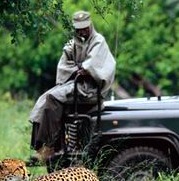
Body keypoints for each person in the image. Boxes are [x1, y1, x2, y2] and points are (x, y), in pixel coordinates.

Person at [29, 10, 116, 161]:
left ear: (90, 25)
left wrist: (83, 68)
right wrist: (79, 68)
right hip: (74, 85)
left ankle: (49, 147)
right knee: (43, 101)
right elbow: (64, 65)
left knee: (53, 98)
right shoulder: (73, 43)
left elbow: (93, 67)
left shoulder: (98, 41)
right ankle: (40, 147)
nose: (82, 31)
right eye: (79, 28)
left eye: (85, 27)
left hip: (90, 90)